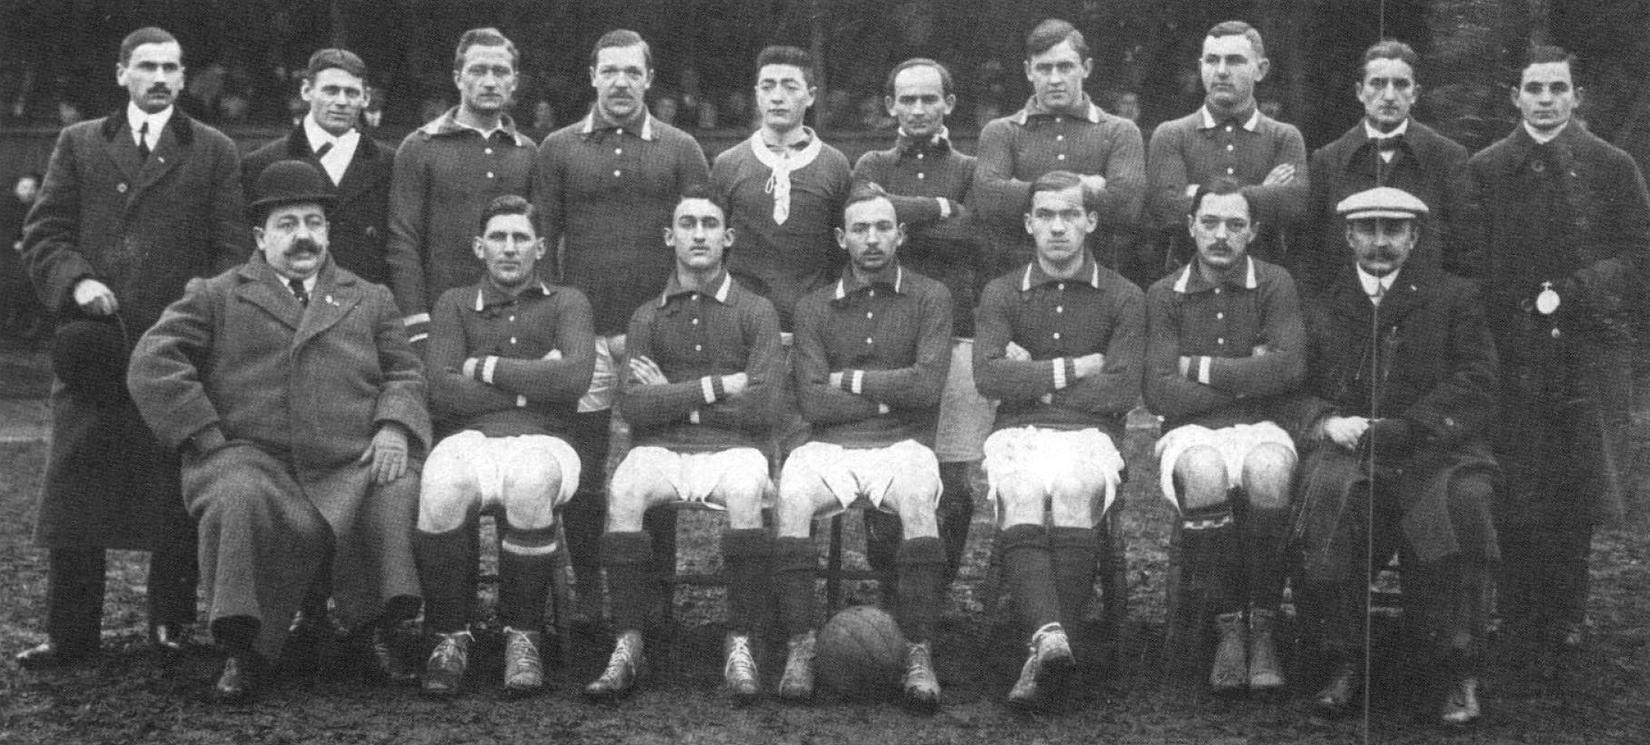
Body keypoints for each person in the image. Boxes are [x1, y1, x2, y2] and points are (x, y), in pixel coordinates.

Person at [127, 160, 430, 703]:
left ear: (328, 231)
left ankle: (374, 632)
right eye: (286, 225)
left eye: (313, 222)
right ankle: (243, 647)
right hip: (253, 457)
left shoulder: (370, 297)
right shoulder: (216, 294)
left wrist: (393, 426)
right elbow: (153, 360)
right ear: (259, 236)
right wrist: (203, 433)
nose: (302, 236)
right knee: (236, 494)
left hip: (352, 459)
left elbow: (405, 372)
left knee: (396, 487)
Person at [16, 26, 248, 669]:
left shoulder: (213, 149)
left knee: (172, 484)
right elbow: (45, 234)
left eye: (171, 68)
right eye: (147, 66)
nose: (160, 78)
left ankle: (169, 623)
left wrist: (196, 318)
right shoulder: (80, 142)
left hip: (176, 350)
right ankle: (71, 633)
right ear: (122, 73)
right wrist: (77, 281)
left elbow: (232, 250)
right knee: (75, 484)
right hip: (95, 347)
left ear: (183, 77)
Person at [1288, 186, 1499, 724]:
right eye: (1368, 229)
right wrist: (1326, 421)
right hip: (1352, 449)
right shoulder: (1322, 303)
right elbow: (1292, 383)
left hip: (1436, 448)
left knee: (1464, 501)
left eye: (1393, 230)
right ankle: (1343, 659)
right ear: (1348, 236)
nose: (1380, 242)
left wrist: (1414, 425)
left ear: (1414, 237)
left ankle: (1458, 667)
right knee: (1327, 494)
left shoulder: (1455, 297)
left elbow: (1477, 380)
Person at [1464, 46, 1650, 650]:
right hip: (1511, 348)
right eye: (1534, 89)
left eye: (1558, 88)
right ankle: (1515, 609)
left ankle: (1567, 609)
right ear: (1514, 97)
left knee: (1578, 477)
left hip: (1587, 348)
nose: (1545, 100)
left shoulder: (1612, 165)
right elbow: (1470, 258)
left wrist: (1580, 289)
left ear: (1577, 96)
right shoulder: (1487, 168)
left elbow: (1639, 253)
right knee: (1516, 475)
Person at [536, 29, 711, 626]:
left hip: (654, 335)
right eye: (609, 71)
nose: (620, 82)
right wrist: (559, 326)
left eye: (632, 72)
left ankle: (656, 596)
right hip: (583, 335)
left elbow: (700, 241)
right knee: (584, 466)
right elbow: (543, 244)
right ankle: (589, 591)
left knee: (654, 461)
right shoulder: (559, 148)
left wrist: (677, 323)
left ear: (649, 79)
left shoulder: (680, 147)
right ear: (592, 76)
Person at [583, 187, 781, 702]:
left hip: (734, 448)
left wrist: (670, 394)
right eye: (687, 224)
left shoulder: (756, 310)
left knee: (746, 490)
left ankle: (740, 641)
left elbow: (763, 406)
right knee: (625, 488)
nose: (698, 234)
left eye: (709, 224)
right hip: (662, 447)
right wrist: (716, 387)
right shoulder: (647, 316)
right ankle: (629, 640)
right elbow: (634, 407)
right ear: (669, 237)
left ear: (728, 237)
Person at [772, 185, 953, 709]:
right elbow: (812, 402)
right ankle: (800, 646)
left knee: (918, 498)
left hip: (903, 444)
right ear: (841, 238)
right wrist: (889, 396)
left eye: (882, 227)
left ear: (901, 233)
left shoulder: (931, 297)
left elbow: (926, 388)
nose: (872, 239)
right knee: (793, 495)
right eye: (860, 229)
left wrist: (848, 381)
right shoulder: (813, 306)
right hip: (828, 444)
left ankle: (918, 651)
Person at [974, 171, 1142, 710]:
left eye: (1070, 214)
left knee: (1072, 488)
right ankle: (1054, 642)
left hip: (1092, 434)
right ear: (1028, 223)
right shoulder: (1002, 291)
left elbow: (1122, 389)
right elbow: (989, 378)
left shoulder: (1123, 295)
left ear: (1091, 221)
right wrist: (1076, 369)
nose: (1057, 227)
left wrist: (1033, 378)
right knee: (1022, 490)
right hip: (1017, 432)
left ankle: (1044, 651)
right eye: (1045, 215)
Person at [415, 195, 595, 698]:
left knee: (530, 480)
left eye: (521, 238)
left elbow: (574, 379)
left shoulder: (568, 302)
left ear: (541, 247)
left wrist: (484, 367)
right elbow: (441, 390)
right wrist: (535, 380)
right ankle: (449, 637)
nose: (509, 248)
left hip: (548, 438)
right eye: (498, 237)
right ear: (479, 247)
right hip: (470, 437)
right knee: (442, 481)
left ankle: (524, 635)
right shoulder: (454, 303)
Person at [1143, 178, 1304, 694]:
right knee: (1205, 471)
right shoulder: (1164, 293)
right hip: (1190, 431)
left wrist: (1198, 367)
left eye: (1235, 225)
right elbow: (1160, 391)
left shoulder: (1275, 283)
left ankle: (1265, 627)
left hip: (1264, 425)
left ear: (1253, 231)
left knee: (1269, 471)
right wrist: (1248, 376)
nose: (1220, 235)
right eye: (1209, 222)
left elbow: (1289, 371)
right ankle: (1228, 627)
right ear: (1190, 226)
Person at [849, 57, 983, 601]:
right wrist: (940, 208)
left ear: (949, 104)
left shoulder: (971, 168)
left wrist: (901, 217)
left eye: (930, 99)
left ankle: (935, 594)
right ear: (890, 106)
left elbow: (972, 234)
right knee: (889, 468)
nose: (919, 109)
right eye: (908, 99)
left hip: (956, 332)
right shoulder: (872, 162)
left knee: (952, 476)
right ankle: (890, 592)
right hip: (884, 332)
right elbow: (865, 215)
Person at [387, 27, 536, 349]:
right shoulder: (419, 146)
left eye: (500, 72)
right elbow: (403, 240)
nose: (490, 81)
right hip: (441, 318)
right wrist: (415, 320)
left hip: (515, 319)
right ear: (458, 78)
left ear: (514, 81)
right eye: (478, 71)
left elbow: (538, 241)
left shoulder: (527, 152)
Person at [971, 19, 1145, 285]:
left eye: (1065, 67)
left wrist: (1021, 189)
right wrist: (1085, 186)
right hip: (1018, 282)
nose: (1054, 79)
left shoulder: (1120, 131)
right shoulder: (1000, 132)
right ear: (1029, 71)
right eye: (1044, 68)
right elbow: (990, 204)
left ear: (1086, 68)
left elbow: (1126, 208)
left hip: (1099, 282)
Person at [1295, 39, 1471, 293]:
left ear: (1415, 94)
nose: (1389, 96)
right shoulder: (1328, 160)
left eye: (1401, 84)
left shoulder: (1447, 157)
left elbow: (1465, 251)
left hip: (1426, 308)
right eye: (1377, 83)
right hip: (1347, 307)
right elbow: (1310, 253)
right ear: (1359, 91)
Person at [711, 45, 851, 334]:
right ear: (757, 94)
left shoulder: (834, 164)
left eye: (790, 87)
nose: (777, 96)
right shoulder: (728, 163)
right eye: (767, 86)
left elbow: (842, 251)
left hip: (814, 326)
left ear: (811, 95)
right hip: (741, 326)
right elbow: (715, 251)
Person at [1146, 20, 1307, 270]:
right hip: (1189, 276)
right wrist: (1262, 193)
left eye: (1234, 61)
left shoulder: (1284, 137)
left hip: (1264, 277)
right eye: (1212, 60)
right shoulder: (1172, 134)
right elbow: (1167, 212)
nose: (1221, 71)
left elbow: (1294, 208)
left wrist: (1198, 195)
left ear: (1261, 70)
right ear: (1201, 67)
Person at [242, 48, 394, 287]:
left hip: (366, 298)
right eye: (330, 91)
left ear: (366, 98)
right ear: (306, 91)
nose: (341, 102)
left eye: (351, 92)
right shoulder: (262, 163)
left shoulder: (389, 164)